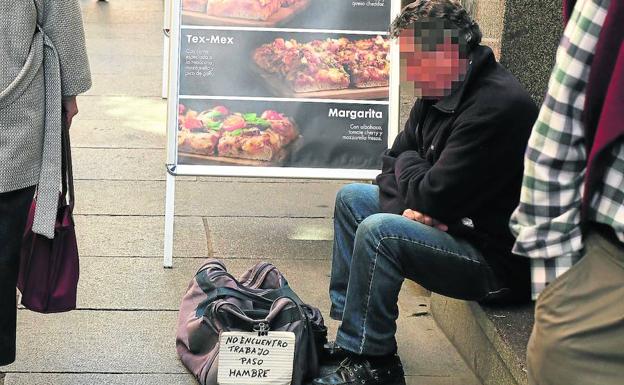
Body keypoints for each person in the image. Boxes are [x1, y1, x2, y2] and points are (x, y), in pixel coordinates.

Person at [313, 1, 538, 384]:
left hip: (495, 262)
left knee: (380, 232)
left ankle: (375, 364)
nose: (407, 73)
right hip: (456, 226)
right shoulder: (438, 90)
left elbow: (429, 192)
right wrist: (413, 201)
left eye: (414, 60)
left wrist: (416, 184)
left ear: (450, 53)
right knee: (352, 200)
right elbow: (392, 163)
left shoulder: (496, 106)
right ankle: (351, 339)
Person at [509, 0, 623, 383]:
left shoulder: (492, 99)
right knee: (370, 215)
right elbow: (556, 136)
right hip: (608, 288)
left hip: (482, 248)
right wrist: (557, 287)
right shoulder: (433, 100)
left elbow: (438, 191)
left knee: (381, 228)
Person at [0, 1, 91, 383]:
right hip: (15, 94)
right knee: (2, 249)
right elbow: (60, 14)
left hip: (16, 102)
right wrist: (69, 89)